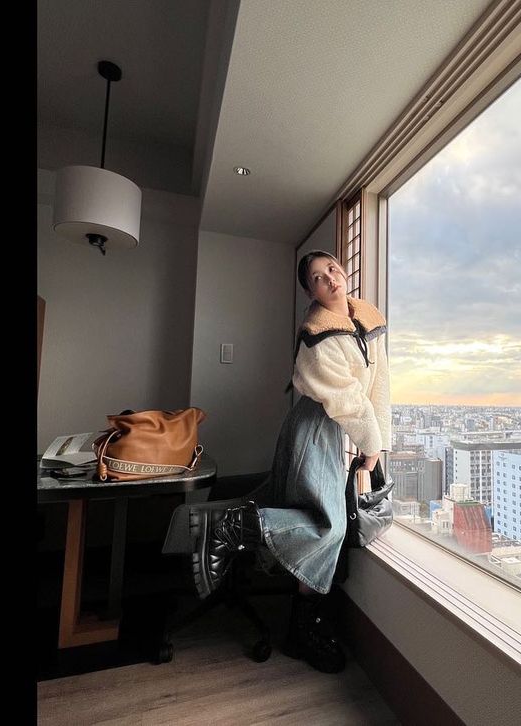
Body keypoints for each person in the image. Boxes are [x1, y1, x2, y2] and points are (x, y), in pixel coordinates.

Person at [188, 250, 391, 674]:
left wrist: (377, 446)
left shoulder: (367, 318)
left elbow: (378, 387)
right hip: (315, 426)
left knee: (323, 522)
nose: (330, 278)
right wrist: (370, 443)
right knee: (327, 525)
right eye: (318, 277)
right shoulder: (316, 333)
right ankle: (235, 526)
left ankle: (303, 629)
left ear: (343, 270)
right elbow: (346, 400)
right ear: (310, 292)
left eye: (332, 268)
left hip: (336, 431)